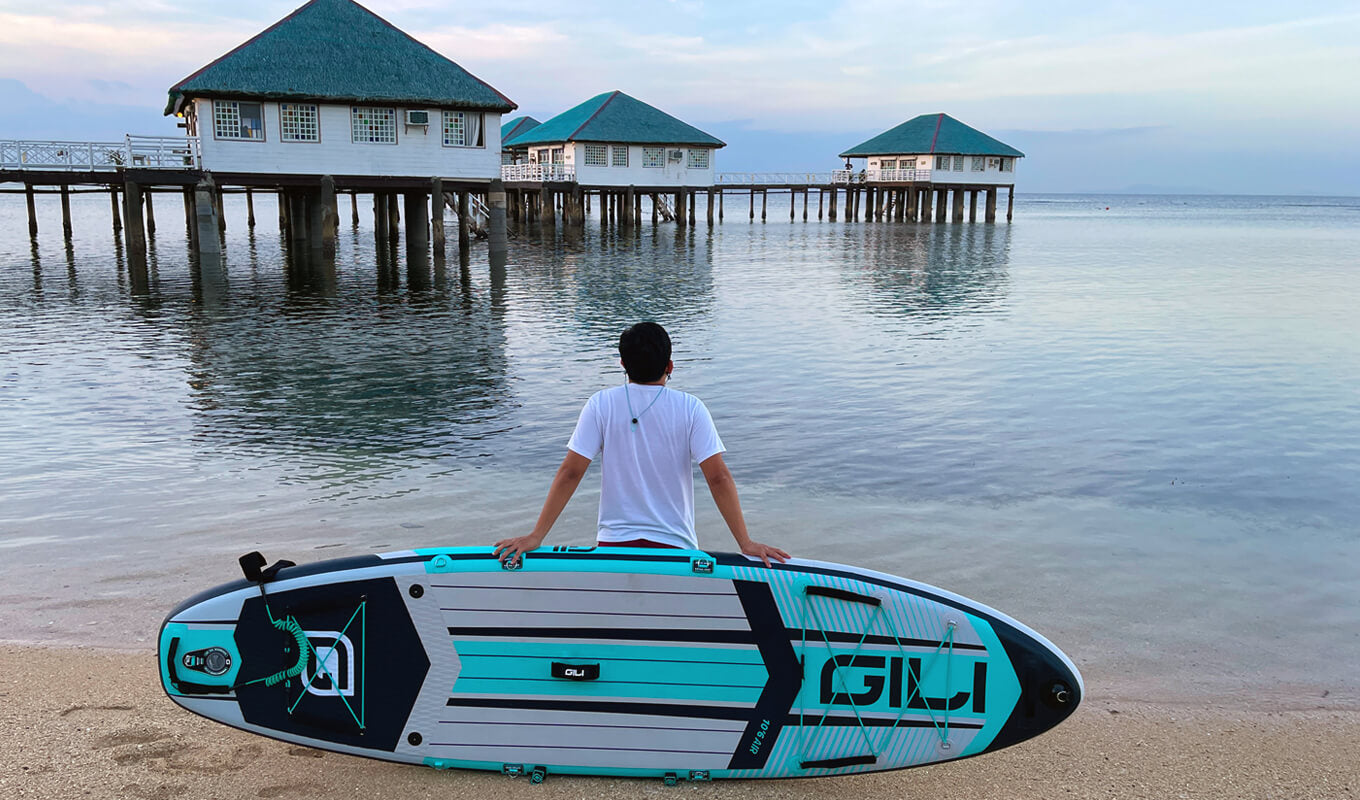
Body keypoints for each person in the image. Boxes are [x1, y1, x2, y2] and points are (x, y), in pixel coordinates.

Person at [493, 322, 788, 567]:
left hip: (614, 548)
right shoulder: (691, 408)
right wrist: (745, 542)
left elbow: (570, 472)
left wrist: (536, 536)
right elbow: (718, 477)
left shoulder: (601, 404)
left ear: (622, 364)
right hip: (675, 549)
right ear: (671, 365)